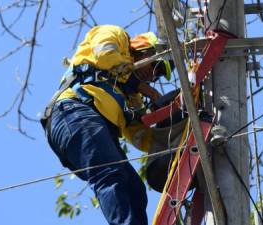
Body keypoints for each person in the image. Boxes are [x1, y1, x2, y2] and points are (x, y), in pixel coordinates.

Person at [41, 25, 173, 225]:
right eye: (156, 66)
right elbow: (105, 54)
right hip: (74, 113)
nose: (153, 76)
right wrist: (145, 89)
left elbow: (140, 137)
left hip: (91, 128)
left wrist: (172, 125)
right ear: (143, 48)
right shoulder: (116, 35)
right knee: (112, 174)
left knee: (134, 188)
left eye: (159, 74)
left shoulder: (131, 99)